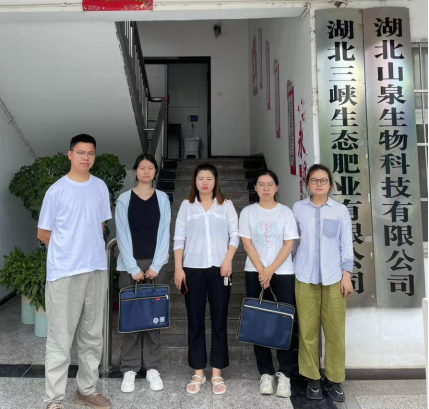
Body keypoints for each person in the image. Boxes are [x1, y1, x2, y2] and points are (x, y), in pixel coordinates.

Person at [38, 134, 112, 409]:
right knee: (61, 337)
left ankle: (86, 390)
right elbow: (43, 233)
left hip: (96, 269)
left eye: (90, 153)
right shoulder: (56, 191)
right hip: (65, 272)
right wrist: (68, 252)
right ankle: (54, 399)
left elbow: (100, 226)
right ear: (70, 154)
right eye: (80, 152)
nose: (86, 157)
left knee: (92, 335)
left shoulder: (100, 187)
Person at [173, 163, 239, 395]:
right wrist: (178, 268)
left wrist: (228, 260)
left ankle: (217, 372)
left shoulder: (226, 205)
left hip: (221, 270)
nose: (204, 182)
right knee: (195, 320)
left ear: (215, 181)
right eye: (200, 178)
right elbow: (179, 238)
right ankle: (198, 371)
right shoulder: (187, 205)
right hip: (193, 269)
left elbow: (234, 235)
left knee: (219, 320)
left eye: (209, 178)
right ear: (194, 181)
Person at [292, 164, 354, 403]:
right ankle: (312, 378)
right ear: (307, 183)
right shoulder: (298, 208)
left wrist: (346, 275)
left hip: (334, 278)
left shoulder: (340, 210)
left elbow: (346, 244)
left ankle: (334, 379)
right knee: (307, 332)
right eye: (314, 180)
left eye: (323, 180)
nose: (318, 184)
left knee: (335, 332)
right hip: (304, 276)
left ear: (330, 184)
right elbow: (292, 243)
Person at [239, 170, 299, 398]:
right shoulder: (248, 212)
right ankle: (265, 372)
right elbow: (247, 244)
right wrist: (262, 270)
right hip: (254, 272)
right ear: (255, 187)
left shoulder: (285, 212)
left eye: (270, 184)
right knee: (259, 322)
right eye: (261, 184)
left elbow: (288, 244)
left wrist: (270, 269)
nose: (266, 188)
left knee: (285, 322)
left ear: (276, 187)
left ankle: (285, 373)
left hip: (283, 272)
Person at [115, 153, 170, 393]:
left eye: (150, 168)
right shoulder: (124, 199)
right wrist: (133, 267)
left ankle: (152, 367)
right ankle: (129, 368)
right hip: (130, 266)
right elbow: (121, 234)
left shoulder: (163, 198)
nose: (146, 172)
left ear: (155, 171)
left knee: (153, 317)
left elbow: (165, 232)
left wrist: (156, 265)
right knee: (131, 318)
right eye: (142, 168)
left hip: (157, 266)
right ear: (135, 171)